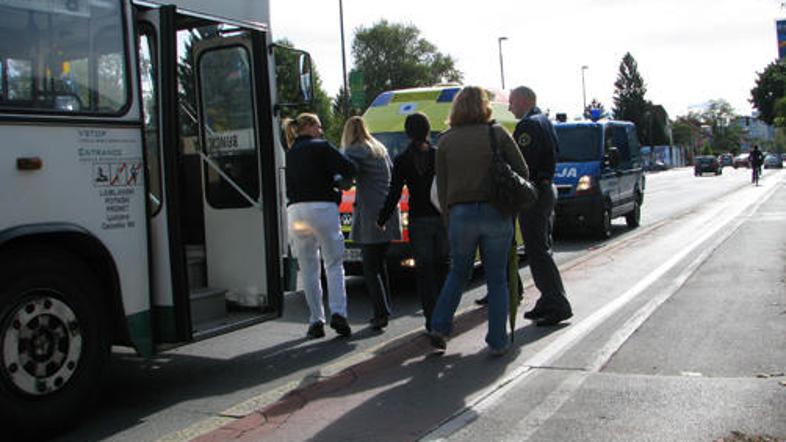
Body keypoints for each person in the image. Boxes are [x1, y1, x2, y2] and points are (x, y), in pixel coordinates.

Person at [428, 86, 529, 355]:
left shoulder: (445, 141)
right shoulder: (497, 134)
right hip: (496, 212)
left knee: (458, 272)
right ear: (485, 106)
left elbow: (443, 187)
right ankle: (497, 341)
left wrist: (450, 220)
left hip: (460, 215)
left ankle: (439, 326)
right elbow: (523, 171)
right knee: (496, 279)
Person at [283, 113, 356, 339]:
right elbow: (350, 168)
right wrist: (335, 179)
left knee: (308, 269)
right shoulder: (322, 147)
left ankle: (316, 320)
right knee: (333, 263)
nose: (322, 131)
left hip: (296, 211)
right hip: (323, 208)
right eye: (320, 126)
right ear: (310, 126)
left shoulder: (291, 152)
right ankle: (339, 313)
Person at [508, 86, 573, 326]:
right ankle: (548, 299)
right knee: (541, 248)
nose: (509, 107)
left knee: (537, 251)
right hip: (545, 190)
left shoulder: (528, 126)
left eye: (512, 101)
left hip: (535, 193)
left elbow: (523, 165)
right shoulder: (544, 120)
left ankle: (556, 302)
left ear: (524, 100)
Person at [377, 112, 449, 332]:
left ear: (407, 133)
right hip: (441, 218)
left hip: (418, 220)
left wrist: (382, 218)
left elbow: (394, 192)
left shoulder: (402, 160)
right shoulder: (439, 155)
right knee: (444, 268)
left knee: (425, 272)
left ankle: (431, 319)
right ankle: (445, 316)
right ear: (428, 130)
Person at [341, 116, 401, 331]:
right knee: (379, 264)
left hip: (372, 214)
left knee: (369, 268)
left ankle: (380, 313)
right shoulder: (379, 148)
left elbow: (346, 178)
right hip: (388, 210)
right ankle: (385, 309)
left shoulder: (355, 150)